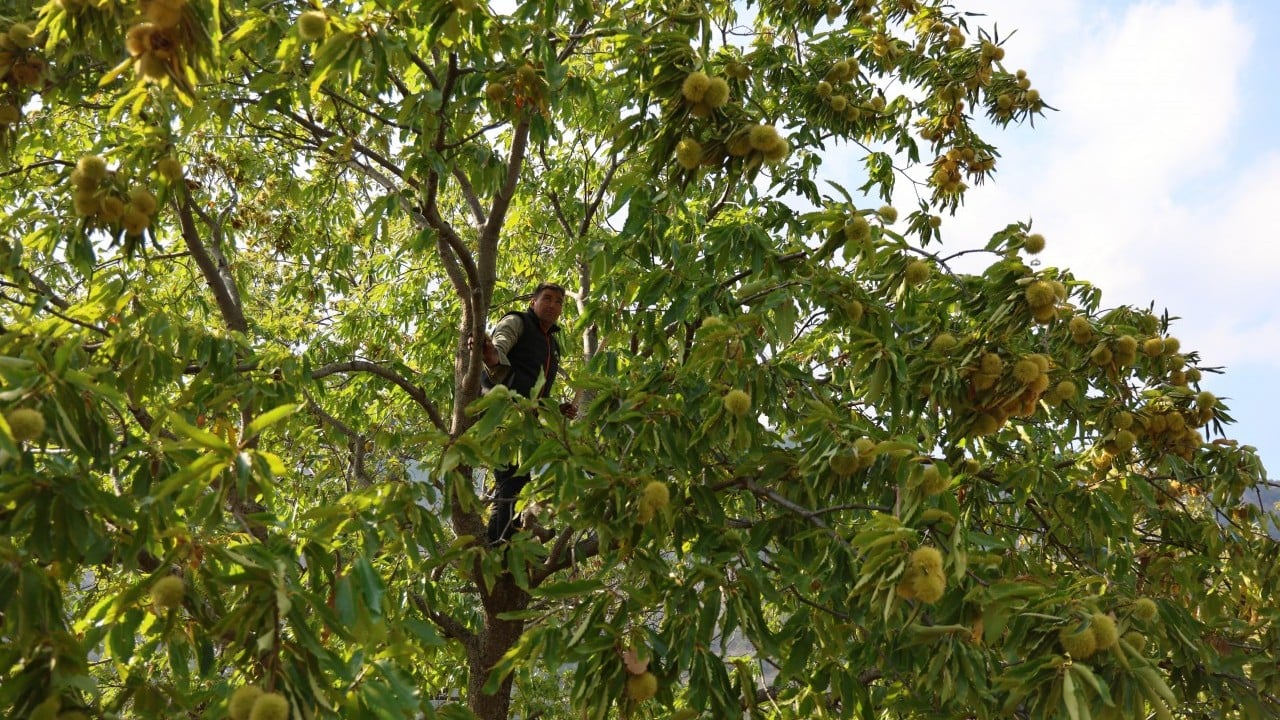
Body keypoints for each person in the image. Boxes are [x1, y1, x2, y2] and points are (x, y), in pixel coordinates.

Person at [478, 282, 575, 543]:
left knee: (519, 481)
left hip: (526, 423)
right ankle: (497, 546)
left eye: (558, 302)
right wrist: (493, 356)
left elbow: (537, 390)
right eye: (547, 298)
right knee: (510, 483)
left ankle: (513, 535)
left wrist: (556, 407)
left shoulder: (552, 345)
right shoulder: (517, 321)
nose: (553, 305)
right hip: (499, 416)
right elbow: (500, 344)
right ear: (533, 302)